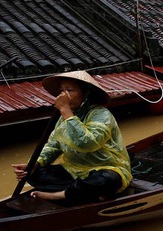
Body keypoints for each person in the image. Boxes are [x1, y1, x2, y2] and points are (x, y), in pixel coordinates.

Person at [12, 70, 131, 204]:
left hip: (104, 168)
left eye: (70, 90)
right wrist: (35, 164)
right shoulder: (63, 118)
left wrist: (66, 111)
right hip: (73, 171)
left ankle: (61, 195)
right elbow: (53, 146)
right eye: (62, 90)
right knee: (32, 173)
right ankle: (84, 191)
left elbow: (86, 143)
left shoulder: (100, 114)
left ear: (85, 94)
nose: (64, 95)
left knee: (107, 179)